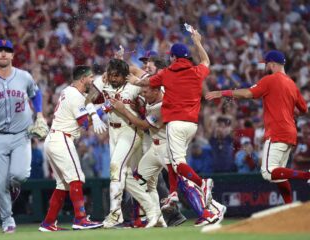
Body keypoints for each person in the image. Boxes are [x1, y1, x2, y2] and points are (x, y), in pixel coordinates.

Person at [128, 28, 216, 219]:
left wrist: (133, 81)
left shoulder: (167, 74)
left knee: (178, 165)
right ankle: (173, 196)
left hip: (175, 124)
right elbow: (206, 61)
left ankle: (203, 187)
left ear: (174, 58)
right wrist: (198, 42)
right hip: (192, 126)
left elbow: (146, 83)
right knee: (176, 164)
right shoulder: (196, 71)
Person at [110, 85, 225, 227]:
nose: (143, 94)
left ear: (156, 91)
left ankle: (209, 211)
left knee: (183, 183)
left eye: (146, 92)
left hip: (167, 147)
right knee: (138, 179)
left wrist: (123, 111)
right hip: (155, 147)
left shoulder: (163, 105)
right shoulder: (152, 98)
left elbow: (144, 125)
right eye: (143, 92)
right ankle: (141, 219)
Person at [206, 50, 310, 204]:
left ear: (272, 64)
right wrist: (289, 113)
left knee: (268, 172)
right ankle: (289, 207)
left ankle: (306, 176)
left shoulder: (270, 79)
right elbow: (304, 110)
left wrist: (223, 93)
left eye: (267, 64)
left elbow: (248, 93)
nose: (265, 66)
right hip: (290, 132)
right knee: (279, 176)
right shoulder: (291, 84)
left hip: (277, 131)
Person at [0, 39, 48, 233]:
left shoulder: (24, 77)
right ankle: (7, 220)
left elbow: (36, 94)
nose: (3, 54)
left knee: (19, 175)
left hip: (22, 134)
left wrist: (39, 113)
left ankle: (14, 186)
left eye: (7, 51)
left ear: (12, 55)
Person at [93, 58, 162, 228]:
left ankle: (115, 213)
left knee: (116, 167)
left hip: (130, 131)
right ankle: (153, 211)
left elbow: (153, 93)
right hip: (112, 132)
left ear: (125, 76)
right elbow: (90, 95)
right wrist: (94, 113)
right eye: (111, 75)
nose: (113, 78)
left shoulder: (134, 87)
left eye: (116, 75)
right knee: (128, 177)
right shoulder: (105, 82)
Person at [38, 65, 103, 232]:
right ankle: (80, 219)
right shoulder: (75, 95)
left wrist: (92, 106)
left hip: (53, 139)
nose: (92, 80)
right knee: (76, 178)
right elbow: (85, 124)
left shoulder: (69, 91)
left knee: (63, 185)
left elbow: (87, 101)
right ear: (82, 79)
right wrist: (101, 111)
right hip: (62, 139)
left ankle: (48, 223)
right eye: (90, 77)